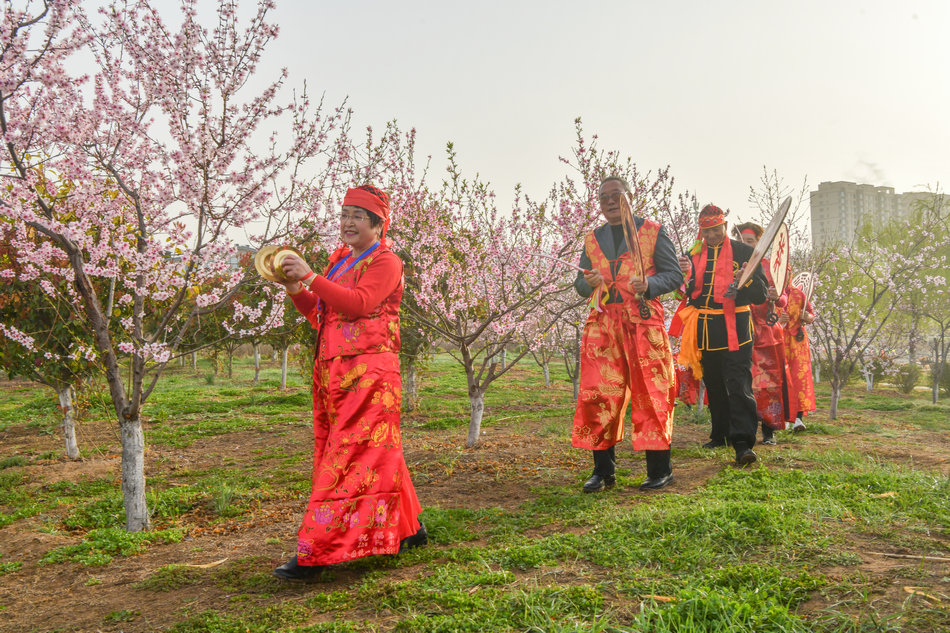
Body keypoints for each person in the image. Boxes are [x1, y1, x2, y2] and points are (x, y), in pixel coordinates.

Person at [272, 185, 426, 581]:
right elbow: (323, 315)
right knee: (375, 451)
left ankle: (317, 551)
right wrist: (296, 288)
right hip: (333, 372)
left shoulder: (386, 261)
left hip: (371, 374)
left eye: (358, 216)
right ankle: (410, 529)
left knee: (349, 456)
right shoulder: (340, 260)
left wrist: (310, 276)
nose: (348, 223)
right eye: (344, 215)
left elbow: (359, 304)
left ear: (378, 223)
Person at [571, 176, 683, 492]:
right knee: (598, 395)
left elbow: (674, 274)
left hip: (643, 324)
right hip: (603, 327)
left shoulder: (652, 232)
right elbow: (579, 285)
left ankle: (660, 469)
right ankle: (603, 471)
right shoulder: (592, 239)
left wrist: (650, 285)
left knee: (652, 394)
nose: (609, 201)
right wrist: (589, 282)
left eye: (615, 195)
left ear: (629, 197)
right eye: (603, 197)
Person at [673, 204, 768, 465]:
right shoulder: (692, 255)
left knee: (738, 384)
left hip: (737, 326)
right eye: (706, 231)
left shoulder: (745, 252)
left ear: (725, 226)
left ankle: (743, 443)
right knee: (713, 383)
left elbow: (760, 295)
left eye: (716, 230)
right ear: (700, 231)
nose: (712, 236)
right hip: (704, 327)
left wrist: (744, 279)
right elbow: (682, 294)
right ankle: (720, 434)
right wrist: (682, 274)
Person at [734, 222, 789, 445]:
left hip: (767, 332)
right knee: (743, 383)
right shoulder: (732, 263)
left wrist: (777, 296)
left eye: (750, 241)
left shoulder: (771, 266)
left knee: (769, 383)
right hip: (739, 328)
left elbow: (785, 299)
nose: (745, 245)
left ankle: (769, 430)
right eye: (741, 241)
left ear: (760, 242)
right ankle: (741, 429)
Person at [780, 274, 817, 431]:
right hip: (778, 340)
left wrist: (806, 316)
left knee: (799, 378)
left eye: (787, 272)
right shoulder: (771, 293)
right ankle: (780, 418)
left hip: (797, 343)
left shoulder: (799, 294)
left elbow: (811, 314)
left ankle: (798, 419)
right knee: (779, 378)